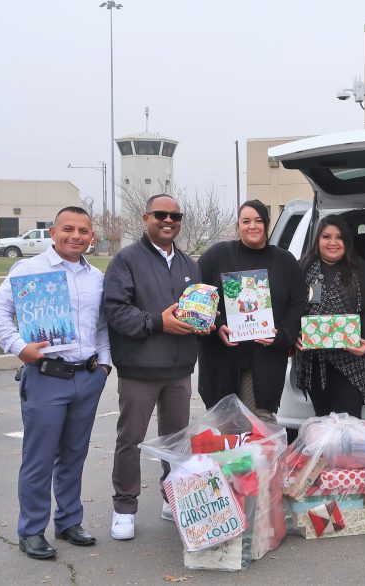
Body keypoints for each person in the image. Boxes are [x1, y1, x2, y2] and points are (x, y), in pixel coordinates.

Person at [0, 206, 110, 560]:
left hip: (87, 377)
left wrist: (104, 365)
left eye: (83, 231)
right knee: (39, 458)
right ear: (53, 233)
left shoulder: (97, 278)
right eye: (68, 229)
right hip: (46, 377)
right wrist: (18, 347)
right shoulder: (29, 270)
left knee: (74, 454)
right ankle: (31, 530)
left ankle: (69, 522)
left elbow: (102, 326)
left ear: (91, 237)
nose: (75, 236)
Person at [101, 194, 209, 541]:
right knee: (130, 439)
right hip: (140, 369)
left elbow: (195, 311)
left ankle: (171, 497)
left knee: (176, 441)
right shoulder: (127, 260)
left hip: (179, 370)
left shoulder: (189, 264)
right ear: (146, 218)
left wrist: (205, 321)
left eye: (175, 216)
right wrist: (157, 322)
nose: (169, 221)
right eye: (161, 214)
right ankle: (124, 508)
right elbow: (116, 311)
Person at [197, 199, 306, 422]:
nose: (252, 226)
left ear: (266, 224)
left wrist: (282, 335)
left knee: (260, 420)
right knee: (224, 421)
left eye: (258, 221)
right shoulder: (217, 255)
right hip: (222, 356)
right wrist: (218, 326)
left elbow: (297, 303)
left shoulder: (285, 261)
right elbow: (199, 295)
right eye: (246, 221)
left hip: (264, 357)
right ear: (238, 225)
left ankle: (262, 447)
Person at [294, 215, 365, 417]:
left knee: (348, 423)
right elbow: (293, 307)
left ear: (347, 241)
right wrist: (294, 335)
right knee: (323, 423)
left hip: (353, 361)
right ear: (317, 240)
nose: (333, 242)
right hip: (315, 362)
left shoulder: (362, 270)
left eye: (339, 237)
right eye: (326, 237)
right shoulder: (302, 268)